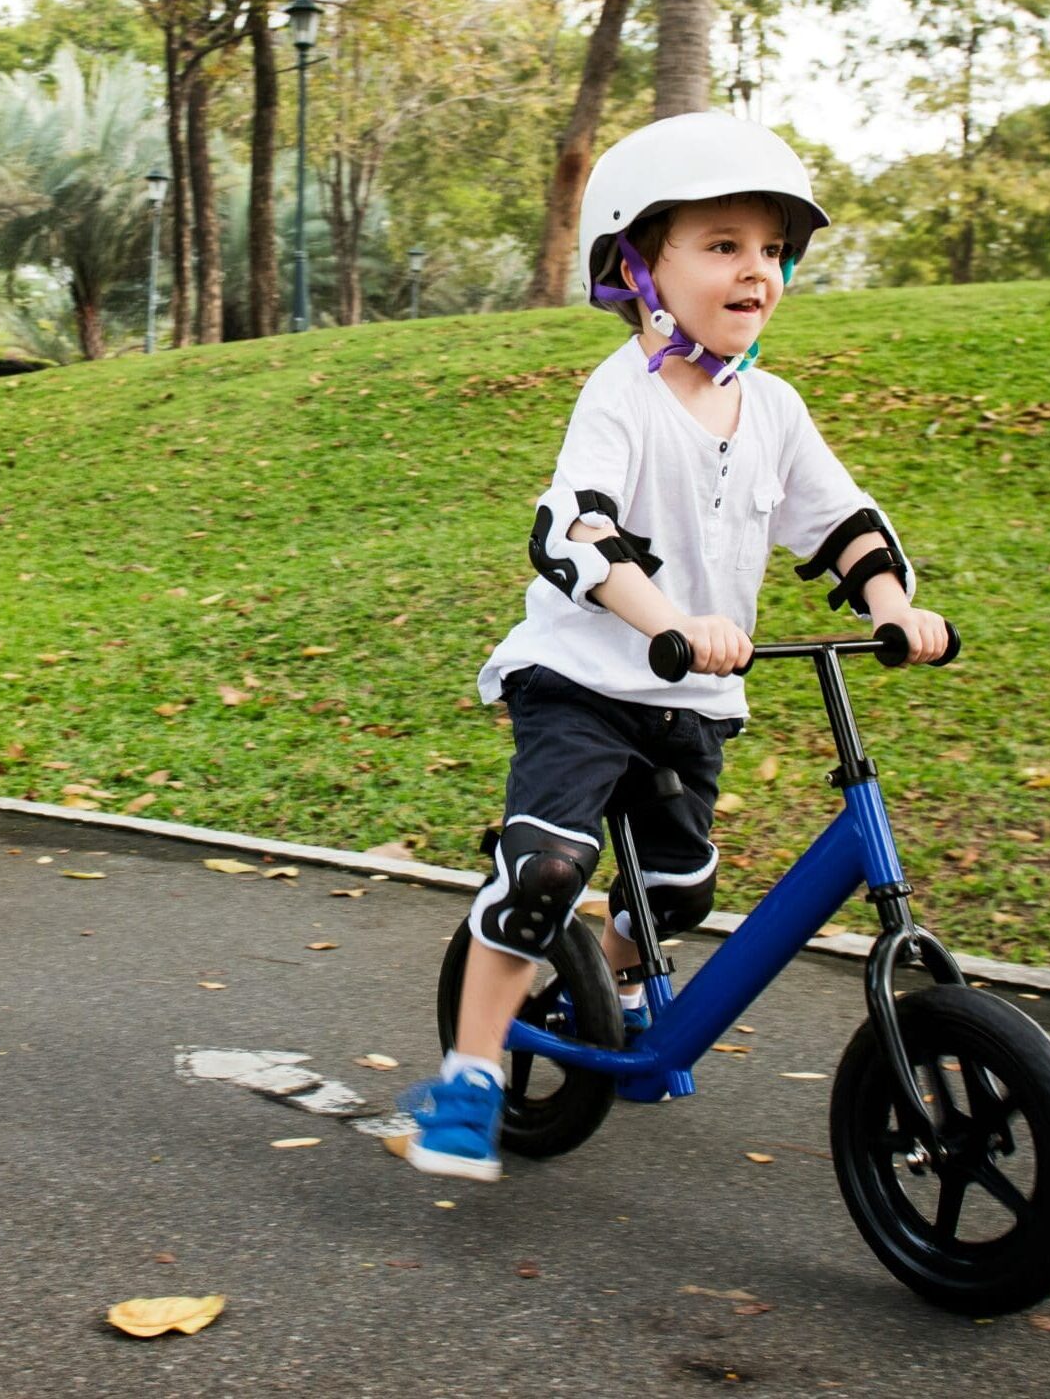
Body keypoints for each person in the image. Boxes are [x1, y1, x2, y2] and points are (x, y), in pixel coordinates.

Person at [404, 112, 950, 1182]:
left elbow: (837, 522)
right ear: (638, 265)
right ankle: (468, 1076)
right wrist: (668, 621)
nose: (757, 271)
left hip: (692, 699)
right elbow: (577, 528)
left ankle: (600, 989)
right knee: (545, 874)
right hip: (584, 680)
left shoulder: (775, 409)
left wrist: (888, 603)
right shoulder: (621, 397)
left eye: (771, 250)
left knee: (683, 888)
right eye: (721, 245)